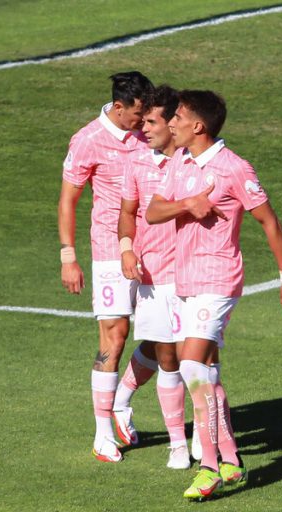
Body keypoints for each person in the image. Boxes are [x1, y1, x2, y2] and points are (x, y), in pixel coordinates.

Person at [146, 90, 282, 500]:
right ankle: (232, 460)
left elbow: (268, 221)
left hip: (218, 279)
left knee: (190, 366)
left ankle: (210, 466)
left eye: (178, 116)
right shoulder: (179, 161)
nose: (171, 122)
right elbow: (153, 212)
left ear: (198, 125)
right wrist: (188, 204)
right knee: (206, 373)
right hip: (184, 281)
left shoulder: (234, 167)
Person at [58, 71, 154, 463]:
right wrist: (68, 256)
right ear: (118, 107)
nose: (142, 122)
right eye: (137, 114)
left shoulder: (150, 131)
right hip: (110, 250)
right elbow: (68, 200)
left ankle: (121, 399)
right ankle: (102, 436)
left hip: (156, 247)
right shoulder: (87, 141)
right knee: (115, 336)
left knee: (165, 339)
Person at [116, 84, 193, 469]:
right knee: (169, 355)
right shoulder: (137, 163)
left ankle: (121, 396)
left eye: (151, 122)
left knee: (194, 355)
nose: (142, 129)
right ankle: (178, 445)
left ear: (172, 123)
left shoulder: (195, 162)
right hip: (156, 272)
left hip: (197, 272)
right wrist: (126, 248)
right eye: (142, 121)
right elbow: (127, 212)